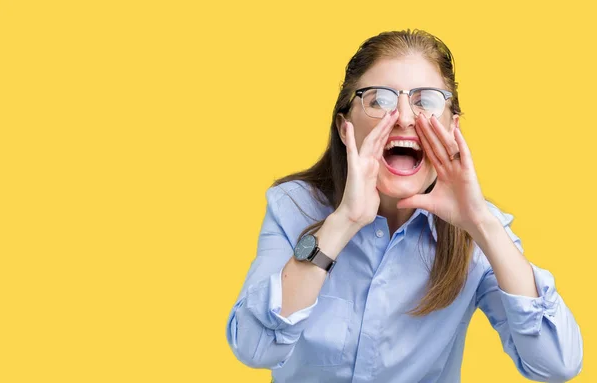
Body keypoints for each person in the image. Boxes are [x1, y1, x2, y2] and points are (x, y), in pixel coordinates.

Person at [225, 29, 583, 382]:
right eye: (380, 99)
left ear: (452, 127)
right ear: (344, 125)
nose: (405, 118)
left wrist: (482, 224)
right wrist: (343, 222)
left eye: (426, 100)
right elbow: (255, 348)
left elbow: (556, 364)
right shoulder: (294, 207)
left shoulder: (477, 233)